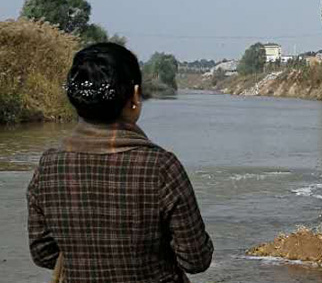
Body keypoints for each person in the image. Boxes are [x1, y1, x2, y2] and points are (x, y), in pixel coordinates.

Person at [27, 43, 213, 282]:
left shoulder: (48, 166)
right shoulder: (161, 167)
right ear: (135, 97)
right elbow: (196, 259)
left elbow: (42, 252)